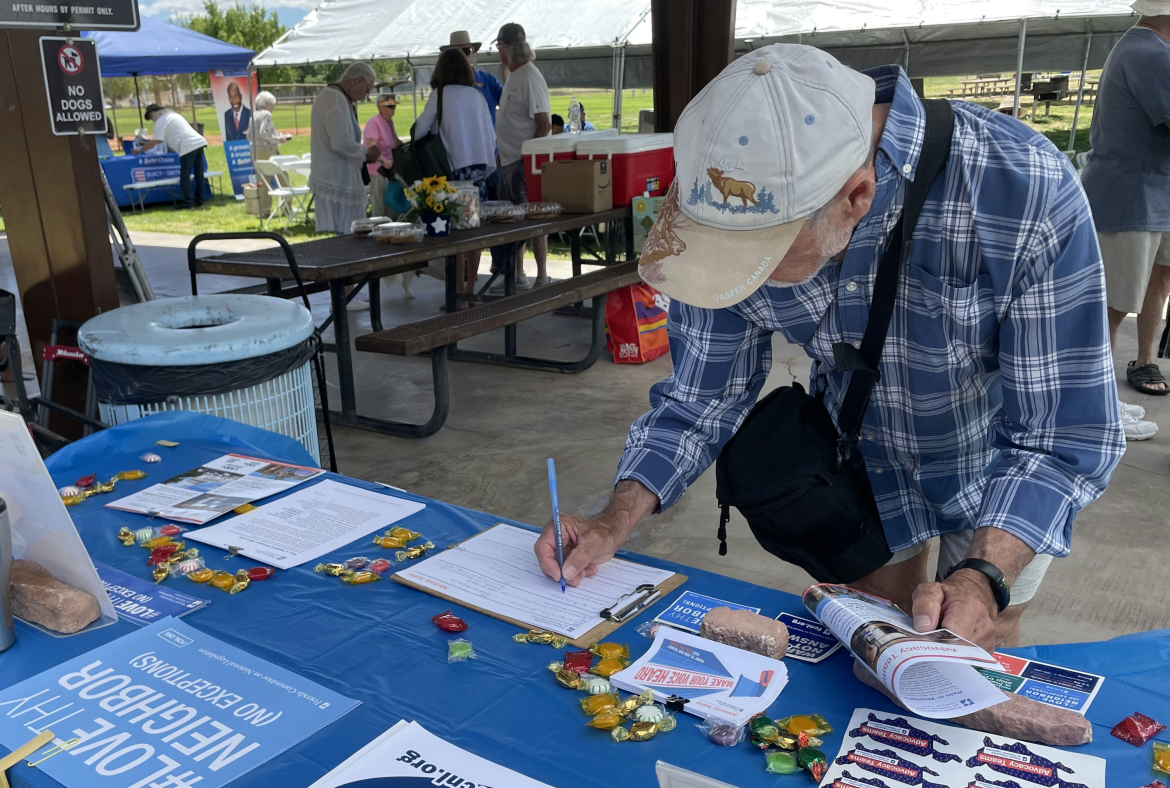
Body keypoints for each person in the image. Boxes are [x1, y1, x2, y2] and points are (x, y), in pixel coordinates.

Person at [534, 45, 1124, 652]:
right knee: (878, 638)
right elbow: (697, 402)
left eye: (759, 261)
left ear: (856, 197)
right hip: (859, 462)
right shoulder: (728, 205)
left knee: (977, 645)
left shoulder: (1022, 187)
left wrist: (984, 577)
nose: (739, 281)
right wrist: (613, 520)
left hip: (996, 468)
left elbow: (1062, 433)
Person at [1081, 0, 1170, 441]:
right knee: (1113, 305)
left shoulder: (1144, 46)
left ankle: (1106, 392)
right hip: (1131, 194)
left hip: (1154, 191)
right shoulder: (1150, 54)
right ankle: (1092, 409)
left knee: (1152, 284)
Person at [415, 48, 496, 296]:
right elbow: (491, 137)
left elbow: (418, 131)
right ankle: (470, 288)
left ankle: (458, 292)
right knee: (472, 231)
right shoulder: (476, 95)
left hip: (453, 171)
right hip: (479, 169)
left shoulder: (439, 95)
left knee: (456, 236)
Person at [495, 22, 552, 289]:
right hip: (510, 161)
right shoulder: (513, 75)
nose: (498, 51)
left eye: (499, 46)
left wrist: (531, 158)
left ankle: (542, 274)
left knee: (532, 217)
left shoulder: (528, 76)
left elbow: (543, 122)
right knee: (514, 219)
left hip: (523, 162)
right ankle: (517, 273)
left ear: (506, 48)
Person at [310, 61, 381, 236]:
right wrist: (366, 153)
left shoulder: (337, 97)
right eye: (367, 89)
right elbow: (340, 143)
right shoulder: (334, 99)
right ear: (357, 81)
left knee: (348, 237)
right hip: (337, 178)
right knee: (349, 237)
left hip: (339, 176)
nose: (365, 95)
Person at [134, 104, 209, 209]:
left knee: (185, 175)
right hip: (199, 142)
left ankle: (188, 202)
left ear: (154, 113)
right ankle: (200, 201)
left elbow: (156, 141)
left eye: (151, 117)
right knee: (198, 174)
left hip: (187, 146)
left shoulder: (161, 120)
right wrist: (146, 143)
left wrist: (140, 151)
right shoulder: (173, 115)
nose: (152, 119)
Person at [364, 93, 402, 216]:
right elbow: (371, 146)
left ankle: (389, 225)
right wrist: (383, 160)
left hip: (390, 167)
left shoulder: (389, 122)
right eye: (390, 106)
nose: (393, 109)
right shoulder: (374, 122)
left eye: (394, 106)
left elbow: (395, 141)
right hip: (378, 168)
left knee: (389, 200)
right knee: (379, 201)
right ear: (381, 108)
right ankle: (378, 227)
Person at [251, 90, 290, 161]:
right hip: (267, 151)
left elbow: (249, 136)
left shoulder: (254, 115)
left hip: (254, 151)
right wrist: (278, 140)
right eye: (271, 104)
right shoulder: (266, 114)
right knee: (281, 171)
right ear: (265, 104)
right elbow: (263, 133)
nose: (273, 107)